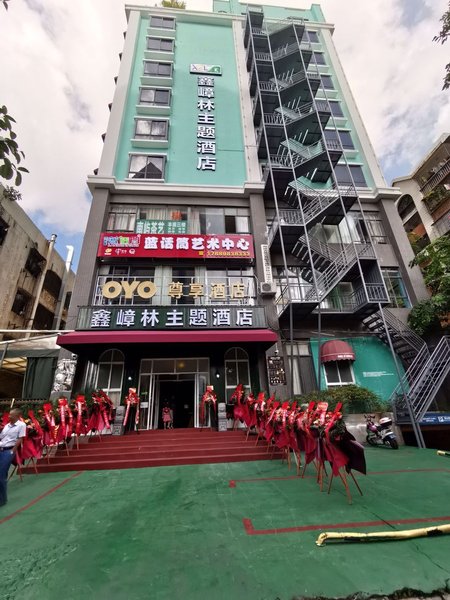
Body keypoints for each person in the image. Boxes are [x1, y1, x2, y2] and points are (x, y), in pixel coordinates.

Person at [0, 408, 27, 507]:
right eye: (9, 414)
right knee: (1, 475)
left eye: (11, 415)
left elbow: (20, 438)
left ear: (17, 416)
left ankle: (2, 499)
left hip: (8, 450)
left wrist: (13, 450)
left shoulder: (21, 425)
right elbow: (2, 437)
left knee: (1, 474)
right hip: (1, 449)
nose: (9, 416)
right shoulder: (7, 425)